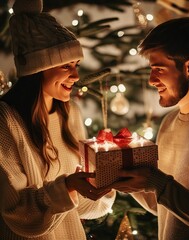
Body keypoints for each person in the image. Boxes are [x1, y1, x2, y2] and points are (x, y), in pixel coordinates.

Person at [109, 17, 189, 239]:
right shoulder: (169, 122)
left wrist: (155, 182)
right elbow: (165, 205)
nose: (151, 80)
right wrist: (126, 178)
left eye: (159, 69)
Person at [0, 0, 115, 239]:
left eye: (76, 65)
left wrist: (107, 181)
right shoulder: (6, 120)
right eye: (65, 66)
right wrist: (68, 185)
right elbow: (17, 211)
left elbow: (77, 205)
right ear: (38, 68)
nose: (75, 75)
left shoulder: (70, 114)